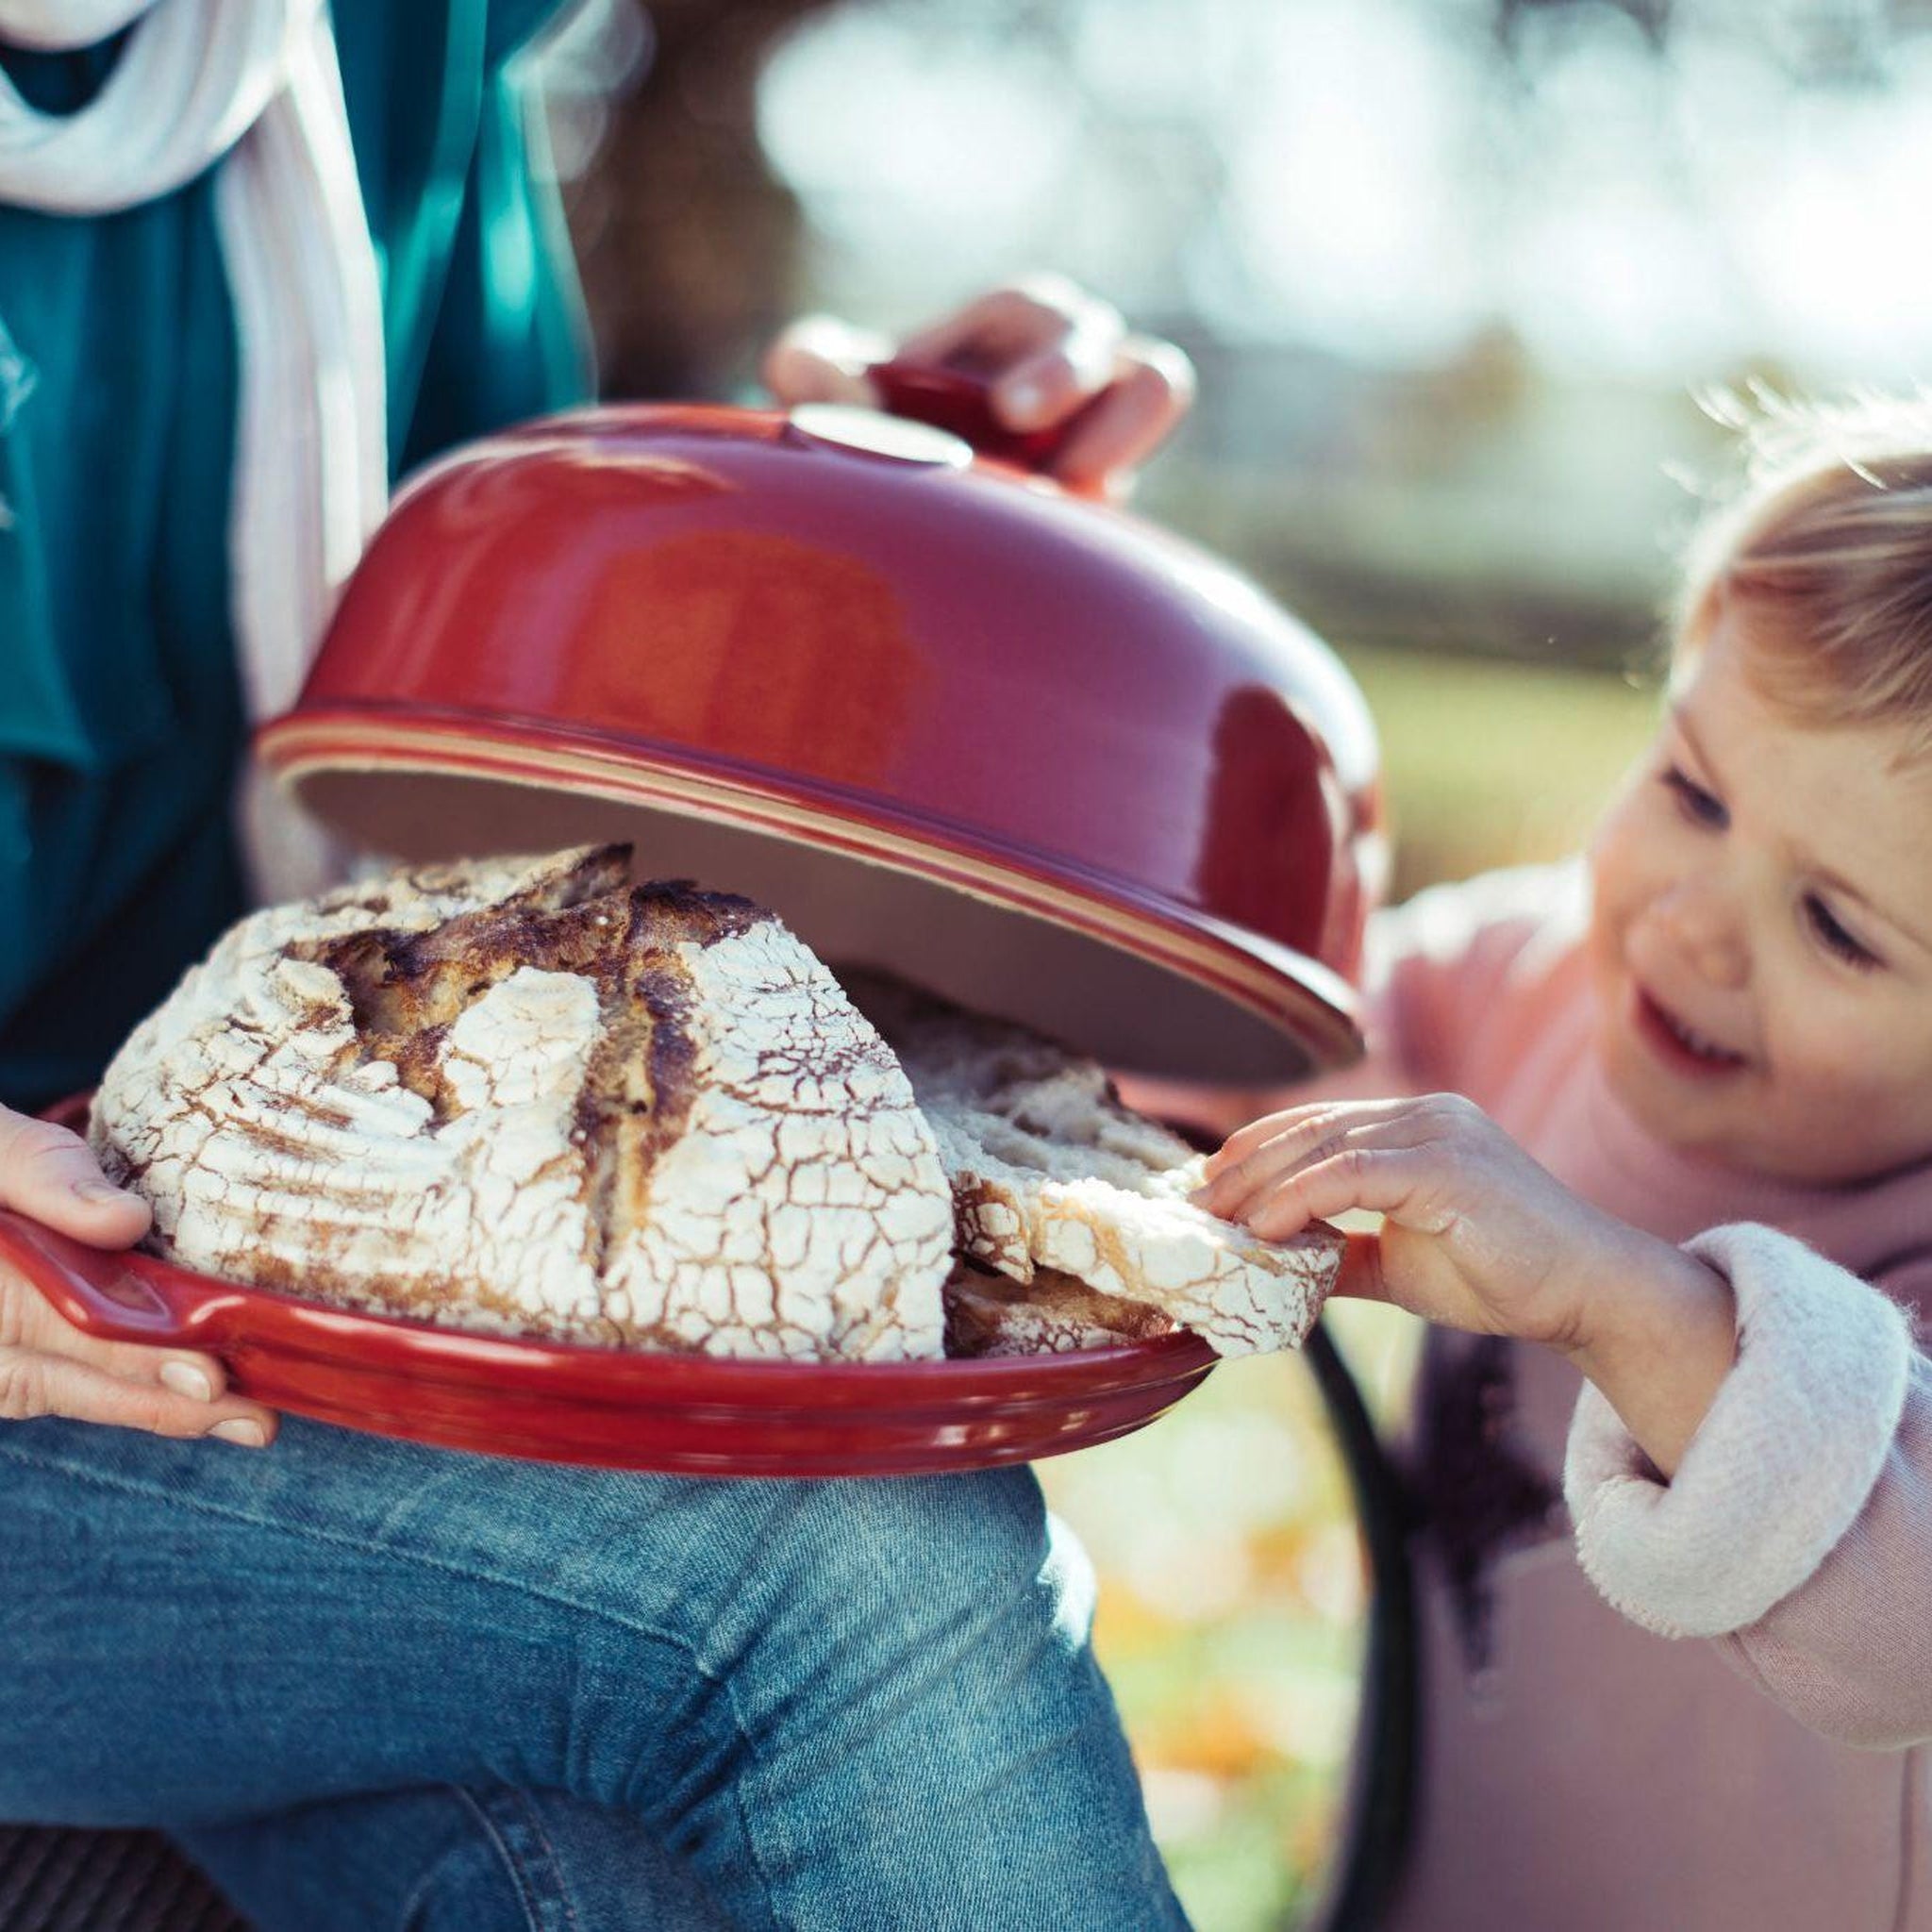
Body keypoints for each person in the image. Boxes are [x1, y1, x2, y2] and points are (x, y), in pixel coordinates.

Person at [0, 4, 1197, 1928]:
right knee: (833, 1569)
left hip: (256, 1274)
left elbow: (471, 711)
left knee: (637, 1877)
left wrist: (831, 525)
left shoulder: (373, 41)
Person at [1182, 391, 1932, 1928]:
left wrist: (1615, 1302)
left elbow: (1899, 1633)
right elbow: (1238, 1042)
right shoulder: (1534, 982)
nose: (1692, 923)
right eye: (1694, 793)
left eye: (1838, 927)